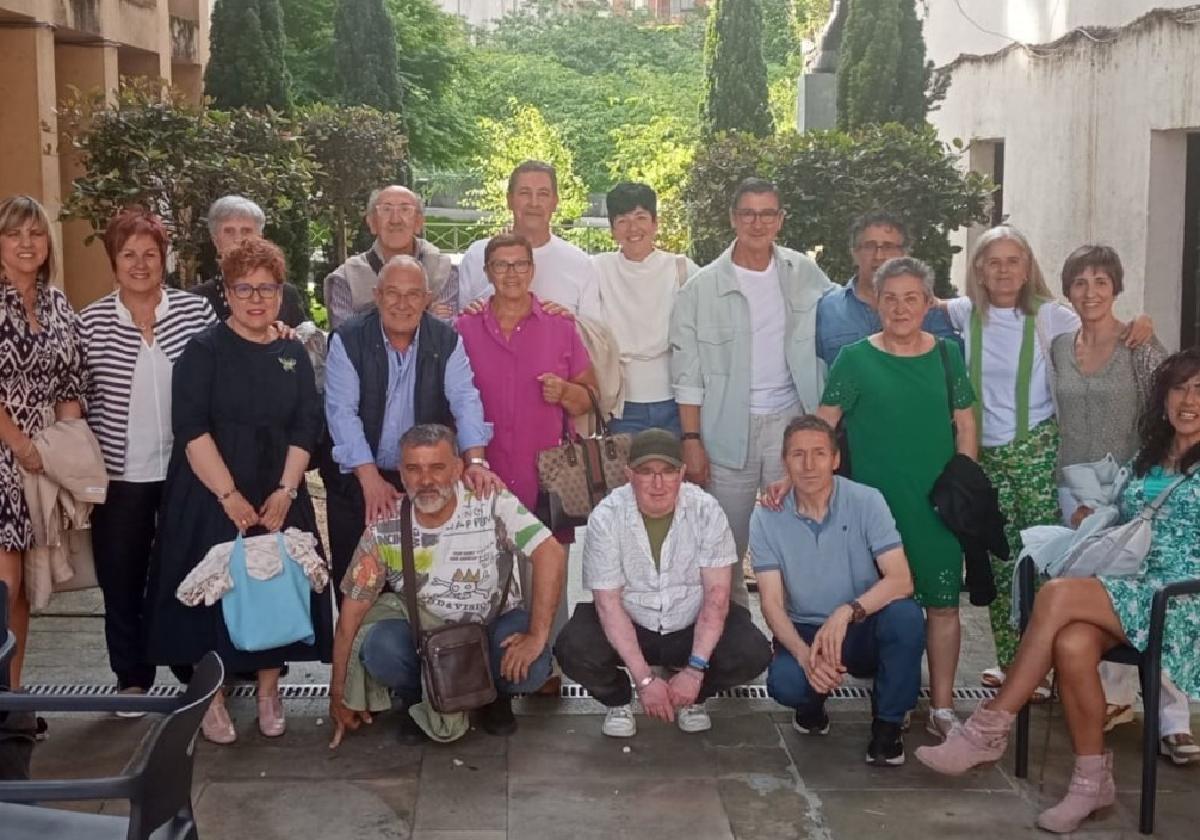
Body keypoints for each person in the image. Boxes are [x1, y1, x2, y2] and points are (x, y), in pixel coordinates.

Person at [915, 347, 1200, 834]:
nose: (1188, 400)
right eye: (1180, 388)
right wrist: (1097, 519)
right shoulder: (1151, 455)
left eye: (1199, 390)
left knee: (1058, 595)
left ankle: (989, 727)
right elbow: (1131, 519)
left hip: (1178, 599)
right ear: (1164, 397)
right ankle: (1092, 784)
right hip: (1130, 588)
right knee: (1070, 644)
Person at [941, 226, 1152, 689]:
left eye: (1013, 260)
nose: (1003, 270)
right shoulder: (963, 312)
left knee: (1042, 559)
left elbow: (1103, 327)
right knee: (999, 559)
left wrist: (1142, 323)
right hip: (983, 456)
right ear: (978, 268)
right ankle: (1014, 661)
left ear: (1027, 266)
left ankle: (1047, 663)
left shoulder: (1050, 316)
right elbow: (918, 302)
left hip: (1037, 450)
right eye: (992, 261)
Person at [143, 237, 332, 745]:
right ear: (226, 293)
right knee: (213, 602)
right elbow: (191, 428)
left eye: (266, 288)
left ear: (280, 292)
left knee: (275, 589)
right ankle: (213, 698)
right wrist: (229, 498)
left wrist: (287, 492)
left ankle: (270, 691)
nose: (256, 298)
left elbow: (305, 425)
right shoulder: (203, 350)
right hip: (211, 491)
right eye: (244, 288)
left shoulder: (292, 349)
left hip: (278, 491)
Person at [814, 257, 978, 739]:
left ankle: (944, 706)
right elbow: (825, 422)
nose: (901, 307)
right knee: (890, 608)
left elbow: (965, 421)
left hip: (938, 508)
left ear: (928, 304)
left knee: (944, 606)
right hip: (875, 512)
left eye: (912, 298)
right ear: (876, 303)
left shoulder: (948, 355)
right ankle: (895, 700)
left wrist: (964, 481)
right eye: (891, 298)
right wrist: (804, 476)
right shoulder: (855, 359)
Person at [328, 424, 566, 745]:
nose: (426, 481)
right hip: (426, 641)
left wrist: (537, 636)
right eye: (414, 469)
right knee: (379, 646)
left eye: (437, 468)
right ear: (401, 473)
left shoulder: (490, 501)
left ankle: (494, 698)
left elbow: (549, 551)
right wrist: (338, 692)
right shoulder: (384, 528)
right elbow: (350, 617)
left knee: (534, 662)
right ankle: (418, 700)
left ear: (457, 469)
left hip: (490, 630)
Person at [1050, 245, 1194, 762]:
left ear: (1116, 288)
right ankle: (1112, 699)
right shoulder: (1059, 346)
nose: (1090, 292)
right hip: (1077, 486)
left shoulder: (1139, 343)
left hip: (1134, 483)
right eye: (1080, 283)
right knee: (1099, 583)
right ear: (1067, 290)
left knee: (1146, 582)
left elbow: (1172, 401)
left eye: (1101, 282)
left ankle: (1173, 718)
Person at [669, 177, 835, 606]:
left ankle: (799, 642)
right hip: (726, 431)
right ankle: (731, 639)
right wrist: (691, 441)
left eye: (767, 214)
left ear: (779, 220)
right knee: (724, 546)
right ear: (733, 218)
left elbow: (848, 313)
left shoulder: (804, 273)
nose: (757, 223)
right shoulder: (700, 289)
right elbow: (687, 374)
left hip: (791, 426)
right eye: (748, 213)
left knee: (800, 538)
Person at [80, 210, 216, 705]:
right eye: (128, 255)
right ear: (114, 261)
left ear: (165, 260)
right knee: (122, 578)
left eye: (150, 255)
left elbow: (226, 365)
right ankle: (132, 677)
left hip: (187, 472)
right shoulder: (90, 322)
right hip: (119, 476)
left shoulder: (193, 313)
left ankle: (192, 668)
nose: (140, 264)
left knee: (187, 571)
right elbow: (75, 399)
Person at [555, 428, 772, 737]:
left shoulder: (706, 510)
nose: (658, 483)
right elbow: (608, 603)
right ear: (629, 474)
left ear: (682, 472)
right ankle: (619, 700)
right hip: (632, 620)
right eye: (646, 472)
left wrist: (696, 671)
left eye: (668, 471)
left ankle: (692, 695)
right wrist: (643, 680)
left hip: (690, 621)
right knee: (572, 647)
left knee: (753, 650)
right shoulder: (606, 516)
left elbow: (717, 596)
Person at [751, 415, 926, 766]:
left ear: (835, 459)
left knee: (907, 617)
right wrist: (805, 657)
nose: (809, 464)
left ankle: (888, 728)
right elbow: (770, 604)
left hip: (861, 624)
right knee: (786, 683)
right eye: (798, 455)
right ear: (785, 462)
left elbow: (901, 579)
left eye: (819, 453)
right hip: (807, 630)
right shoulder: (766, 517)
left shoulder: (866, 501)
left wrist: (847, 612)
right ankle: (811, 706)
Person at [324, 254, 498, 595]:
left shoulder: (446, 340)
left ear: (427, 299)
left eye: (413, 294)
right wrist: (370, 478)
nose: (402, 304)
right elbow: (342, 413)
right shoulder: (348, 339)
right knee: (358, 587)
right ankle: (351, 649)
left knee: (421, 586)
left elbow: (465, 399)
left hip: (422, 478)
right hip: (361, 478)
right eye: (393, 293)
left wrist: (475, 461)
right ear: (376, 295)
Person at [455, 233, 597, 531]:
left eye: (520, 265)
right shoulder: (463, 329)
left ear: (532, 270)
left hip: (549, 485)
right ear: (487, 272)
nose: (511, 274)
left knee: (548, 575)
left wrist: (565, 392)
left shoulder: (560, 327)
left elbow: (590, 398)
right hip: (481, 481)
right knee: (484, 575)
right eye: (501, 265)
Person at [0, 195, 85, 688]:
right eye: (14, 234)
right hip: (6, 456)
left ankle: (12, 696)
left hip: (40, 463)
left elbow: (72, 381)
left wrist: (61, 450)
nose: (26, 244)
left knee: (24, 592)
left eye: (35, 233)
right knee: (4, 586)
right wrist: (21, 445)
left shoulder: (56, 302)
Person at [593, 182, 697, 436]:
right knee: (627, 476)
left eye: (641, 217)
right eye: (623, 220)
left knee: (678, 475)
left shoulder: (682, 269)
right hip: (621, 404)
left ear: (655, 223)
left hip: (677, 400)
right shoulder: (596, 269)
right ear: (612, 229)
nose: (633, 228)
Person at [456, 161, 601, 319]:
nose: (534, 203)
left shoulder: (580, 263)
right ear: (509, 200)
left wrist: (568, 325)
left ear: (555, 202)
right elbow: (460, 328)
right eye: (525, 193)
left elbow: (594, 334)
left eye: (543, 194)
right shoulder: (477, 255)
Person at [815, 211, 958, 367]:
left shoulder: (925, 309)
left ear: (904, 253)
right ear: (854, 253)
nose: (879, 256)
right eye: (869, 246)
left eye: (888, 246)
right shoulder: (828, 309)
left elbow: (950, 364)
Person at [323, 185, 457, 330]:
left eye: (405, 210)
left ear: (419, 222)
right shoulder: (346, 278)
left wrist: (368, 320)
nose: (395, 220)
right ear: (372, 223)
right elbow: (346, 339)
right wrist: (424, 315)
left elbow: (444, 333)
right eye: (386, 210)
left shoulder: (442, 269)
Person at [190, 196, 308, 326]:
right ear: (215, 240)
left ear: (260, 239)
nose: (238, 239)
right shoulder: (196, 300)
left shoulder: (286, 294)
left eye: (246, 231)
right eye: (229, 231)